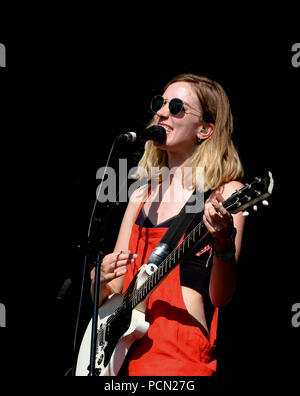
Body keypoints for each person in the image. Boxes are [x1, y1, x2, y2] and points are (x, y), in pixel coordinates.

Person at [90, 73, 245, 376]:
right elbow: (115, 289)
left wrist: (224, 241)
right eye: (160, 103)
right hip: (120, 356)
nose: (161, 112)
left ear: (205, 129)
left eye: (176, 107)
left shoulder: (224, 194)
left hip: (177, 355)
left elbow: (221, 297)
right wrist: (101, 277)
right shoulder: (139, 195)